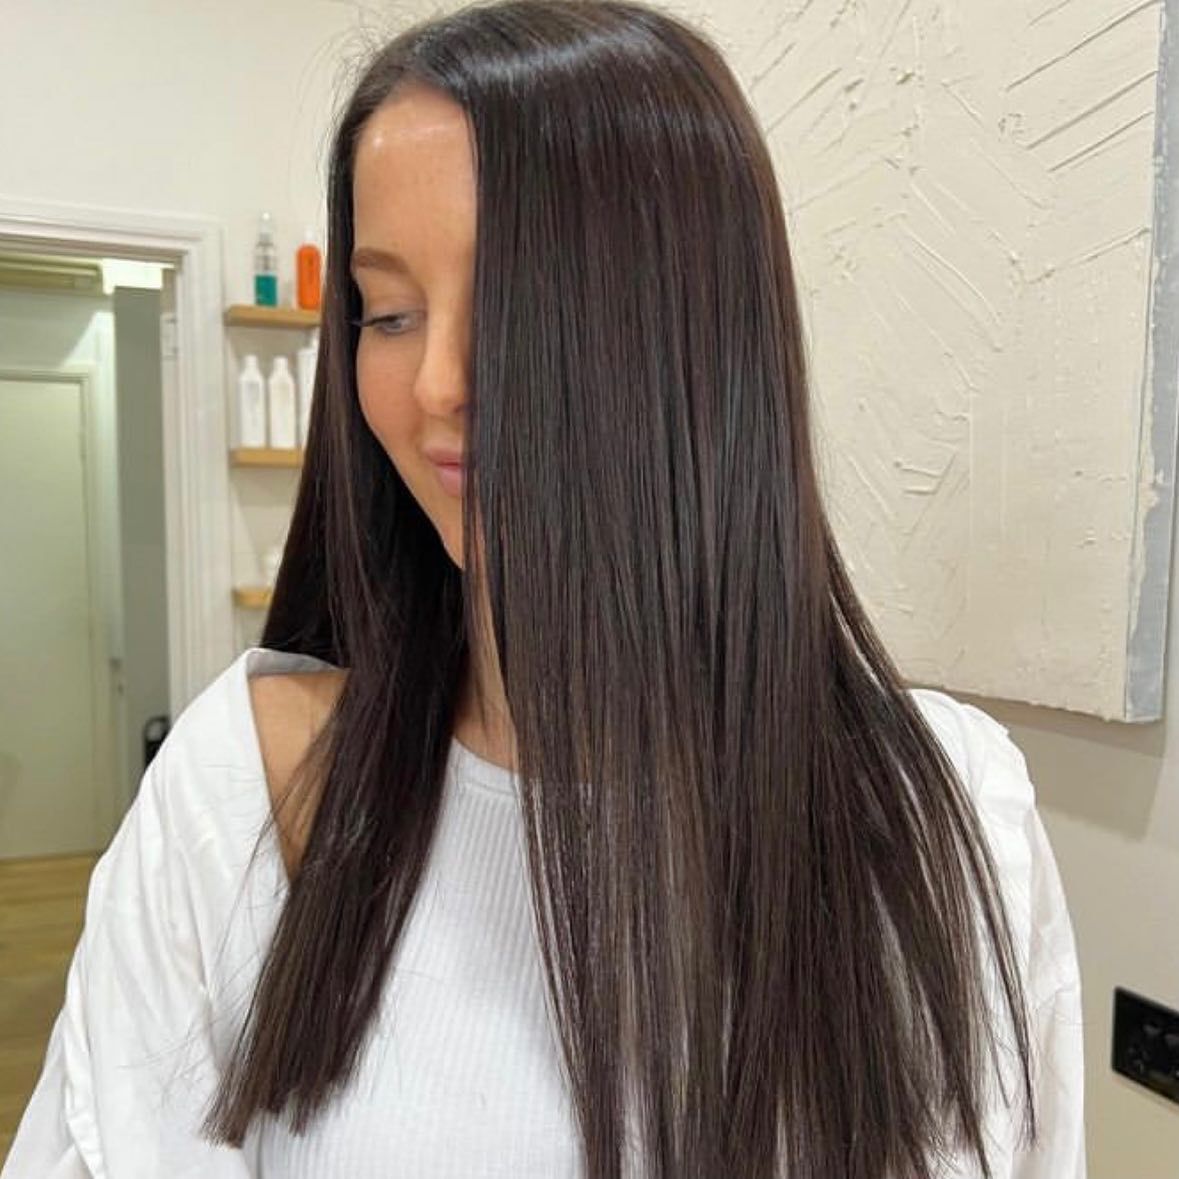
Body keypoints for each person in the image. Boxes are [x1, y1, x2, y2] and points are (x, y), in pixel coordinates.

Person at [3, 1, 1085, 1176]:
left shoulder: (940, 816)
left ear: (691, 332)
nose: (436, 384)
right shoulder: (244, 797)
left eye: (517, 301)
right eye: (391, 313)